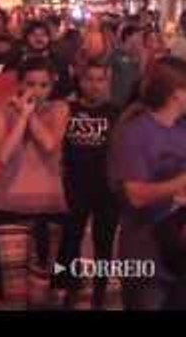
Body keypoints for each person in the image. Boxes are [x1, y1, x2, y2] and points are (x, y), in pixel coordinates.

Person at [0, 57, 70, 309]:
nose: (37, 91)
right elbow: (3, 155)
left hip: (49, 207)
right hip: (9, 207)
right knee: (14, 295)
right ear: (20, 83)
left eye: (44, 85)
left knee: (39, 293)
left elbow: (49, 144)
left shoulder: (60, 108)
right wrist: (22, 118)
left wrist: (29, 114)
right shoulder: (1, 108)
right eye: (31, 84)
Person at [109, 57, 186, 310]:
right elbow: (135, 194)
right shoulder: (135, 132)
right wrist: (179, 183)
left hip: (178, 250)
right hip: (145, 251)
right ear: (176, 92)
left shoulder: (181, 129)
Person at [54, 58, 121, 309]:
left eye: (100, 80)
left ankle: (99, 295)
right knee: (70, 240)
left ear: (107, 82)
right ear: (80, 81)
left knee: (104, 244)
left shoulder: (117, 112)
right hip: (74, 188)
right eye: (89, 79)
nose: (94, 85)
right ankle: (70, 288)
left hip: (107, 191)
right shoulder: (65, 109)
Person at [109, 25, 145, 109]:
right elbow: (108, 76)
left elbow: (138, 78)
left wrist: (142, 59)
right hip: (115, 101)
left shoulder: (135, 56)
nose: (141, 39)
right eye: (138, 36)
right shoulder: (115, 54)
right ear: (128, 36)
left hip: (128, 102)